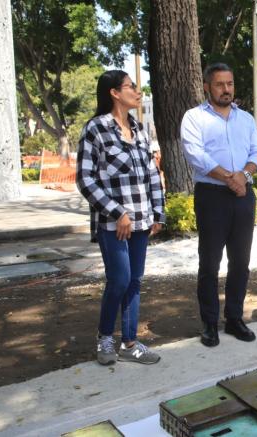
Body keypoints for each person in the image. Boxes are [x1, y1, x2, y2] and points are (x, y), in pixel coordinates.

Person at [76, 70, 165, 365]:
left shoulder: (139, 130)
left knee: (135, 281)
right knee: (119, 280)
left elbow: (152, 174)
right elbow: (85, 180)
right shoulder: (96, 129)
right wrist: (117, 212)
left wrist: (157, 212)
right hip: (113, 223)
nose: (138, 92)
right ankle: (104, 339)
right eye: (132, 86)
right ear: (115, 92)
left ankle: (129, 343)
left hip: (140, 221)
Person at [180, 63, 257, 346]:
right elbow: (196, 155)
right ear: (207, 87)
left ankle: (235, 318)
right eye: (219, 84)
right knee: (210, 262)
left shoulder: (246, 120)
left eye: (229, 83)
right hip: (212, 196)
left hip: (243, 197)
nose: (226, 89)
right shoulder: (194, 118)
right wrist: (230, 177)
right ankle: (209, 323)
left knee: (240, 262)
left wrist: (245, 175)